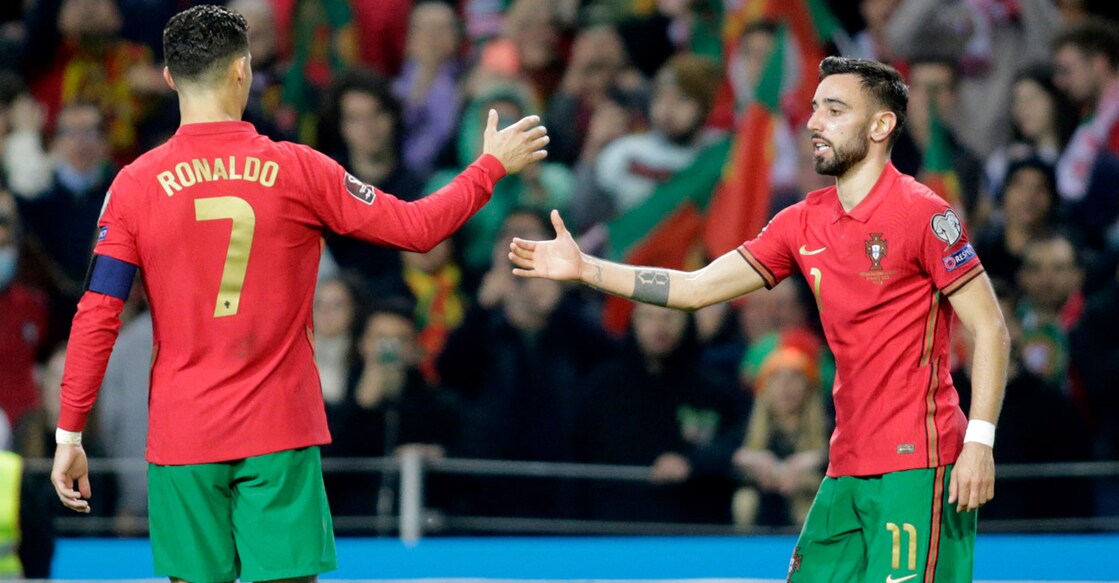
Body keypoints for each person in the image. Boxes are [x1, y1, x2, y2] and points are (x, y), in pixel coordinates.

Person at [49, 5, 548, 583]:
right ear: (243, 70)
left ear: (168, 77)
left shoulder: (132, 186)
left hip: (183, 437)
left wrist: (69, 432)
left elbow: (98, 313)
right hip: (277, 430)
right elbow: (418, 228)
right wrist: (488, 166)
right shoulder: (298, 171)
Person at [510, 56, 1009, 582]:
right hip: (847, 464)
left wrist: (979, 443)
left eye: (835, 110)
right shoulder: (800, 221)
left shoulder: (922, 213)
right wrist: (586, 268)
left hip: (920, 464)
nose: (814, 122)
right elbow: (695, 289)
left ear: (881, 126)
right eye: (815, 109)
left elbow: (990, 328)